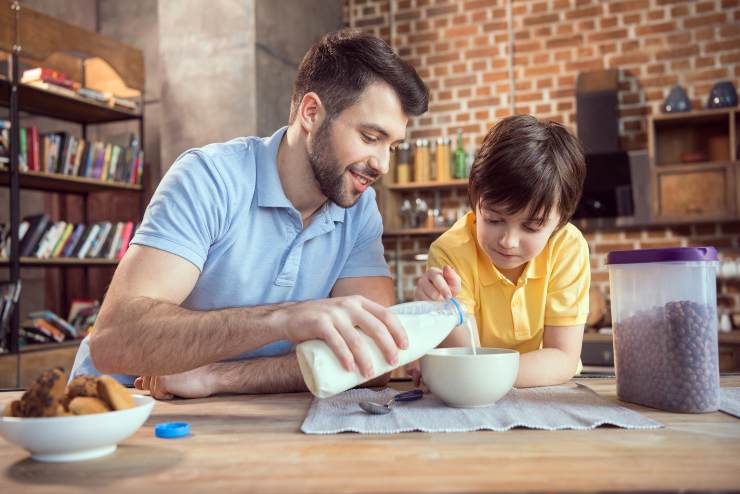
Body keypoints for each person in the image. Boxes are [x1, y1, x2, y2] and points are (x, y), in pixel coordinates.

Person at [69, 29, 429, 399]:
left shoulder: (358, 204)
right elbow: (114, 342)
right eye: (370, 137)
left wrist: (218, 377)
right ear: (311, 113)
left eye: (393, 146)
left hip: (231, 408)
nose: (383, 164)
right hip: (126, 404)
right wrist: (284, 319)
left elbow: (373, 360)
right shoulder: (209, 178)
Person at [412, 115, 589, 388]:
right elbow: (465, 361)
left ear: (560, 220)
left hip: (548, 393)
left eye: (531, 227)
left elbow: (563, 358)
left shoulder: (567, 247)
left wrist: (476, 373)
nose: (508, 240)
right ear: (475, 201)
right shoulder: (451, 252)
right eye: (494, 220)